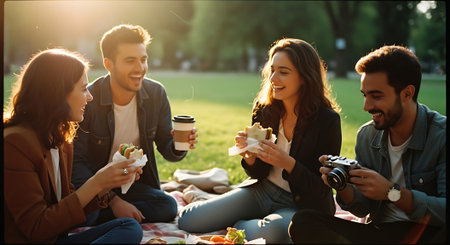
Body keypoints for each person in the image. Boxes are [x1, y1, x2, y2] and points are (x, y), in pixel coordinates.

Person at [178, 38, 342, 243]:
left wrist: (287, 163)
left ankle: (239, 224)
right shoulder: (265, 110)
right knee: (188, 220)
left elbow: (321, 189)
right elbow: (257, 172)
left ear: (305, 77)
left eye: (283, 72)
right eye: (271, 70)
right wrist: (250, 157)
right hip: (262, 190)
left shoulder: (327, 121)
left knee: (276, 233)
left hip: (301, 205)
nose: (273, 78)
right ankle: (213, 203)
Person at [289, 45, 446, 244]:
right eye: (365, 95)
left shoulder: (441, 136)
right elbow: (364, 208)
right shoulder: (367, 135)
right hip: (380, 233)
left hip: (429, 235)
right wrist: (343, 187)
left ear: (407, 94)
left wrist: (392, 192)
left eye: (376, 96)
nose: (367, 106)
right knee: (304, 223)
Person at [4, 48, 143, 243]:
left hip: (56, 238)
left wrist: (106, 184)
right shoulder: (15, 144)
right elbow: (36, 228)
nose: (90, 97)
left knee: (129, 227)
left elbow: (65, 208)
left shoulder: (59, 139)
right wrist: (97, 182)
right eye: (83, 88)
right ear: (58, 93)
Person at [71, 24, 198, 225]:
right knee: (89, 213)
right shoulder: (89, 100)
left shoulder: (156, 94)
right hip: (95, 186)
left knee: (168, 206)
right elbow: (76, 163)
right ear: (108, 64)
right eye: (130, 61)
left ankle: (112, 219)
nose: (140, 68)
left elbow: (168, 149)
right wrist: (112, 201)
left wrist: (179, 145)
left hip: (133, 185)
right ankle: (112, 216)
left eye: (143, 59)